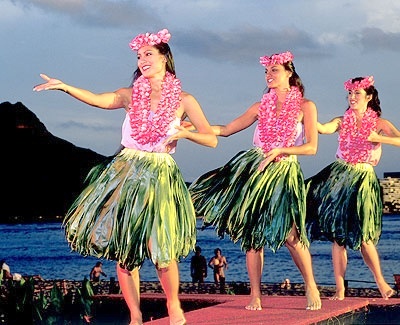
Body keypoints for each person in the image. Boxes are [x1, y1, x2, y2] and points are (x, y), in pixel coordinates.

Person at [33, 28, 217, 325]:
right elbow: (97, 99)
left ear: (164, 58)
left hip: (160, 175)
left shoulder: (184, 99)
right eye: (138, 56)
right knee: (124, 249)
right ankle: (134, 315)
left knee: (162, 247)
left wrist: (184, 132)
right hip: (127, 172)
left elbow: (211, 139)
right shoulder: (130, 95)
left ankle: (174, 306)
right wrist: (66, 86)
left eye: (148, 54)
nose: (142, 60)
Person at [189, 51, 321, 311]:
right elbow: (226, 130)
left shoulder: (306, 106)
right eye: (266, 71)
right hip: (255, 170)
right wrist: (194, 128)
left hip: (284, 172)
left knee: (292, 236)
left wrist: (282, 150)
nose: (268, 75)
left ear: (289, 73)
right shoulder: (260, 106)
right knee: (252, 239)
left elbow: (312, 147)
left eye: (274, 70)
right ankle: (255, 295)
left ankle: (311, 285)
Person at [306, 76, 400, 301]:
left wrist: (378, 138)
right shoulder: (341, 120)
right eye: (350, 94)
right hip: (340, 178)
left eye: (357, 93)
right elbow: (324, 128)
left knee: (365, 237)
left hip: (364, 180)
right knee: (339, 238)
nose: (352, 97)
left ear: (368, 97)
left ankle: (381, 282)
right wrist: (307, 117)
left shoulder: (379, 123)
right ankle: (340, 289)